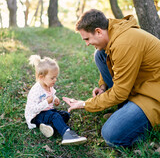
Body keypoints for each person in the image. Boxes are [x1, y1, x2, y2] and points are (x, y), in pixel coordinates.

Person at [63, 9, 160, 148]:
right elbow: (109, 59)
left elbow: (120, 93)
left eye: (87, 39)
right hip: (140, 84)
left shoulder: (124, 43)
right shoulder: (113, 33)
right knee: (99, 54)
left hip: (154, 94)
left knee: (111, 135)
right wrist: (103, 87)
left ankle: (145, 129)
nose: (87, 44)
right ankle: (126, 111)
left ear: (98, 31)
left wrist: (86, 104)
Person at [25, 55, 87, 145]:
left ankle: (49, 128)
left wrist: (55, 99)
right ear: (41, 77)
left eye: (56, 77)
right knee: (55, 116)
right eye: (52, 78)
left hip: (47, 112)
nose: (55, 80)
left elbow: (52, 95)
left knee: (65, 115)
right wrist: (47, 102)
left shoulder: (49, 85)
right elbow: (32, 109)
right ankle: (67, 134)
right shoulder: (36, 90)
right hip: (35, 116)